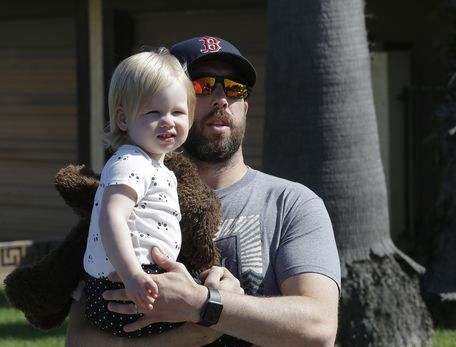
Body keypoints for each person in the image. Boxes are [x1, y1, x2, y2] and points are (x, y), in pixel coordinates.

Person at [65, 36, 341, 347]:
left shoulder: (291, 204)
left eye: (235, 88)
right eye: (203, 86)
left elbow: (318, 329)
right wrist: (191, 333)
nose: (222, 98)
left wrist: (204, 305)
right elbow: (78, 339)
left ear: (246, 106)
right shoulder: (122, 194)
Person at [82, 48, 195, 337]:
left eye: (178, 112)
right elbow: (112, 217)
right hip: (123, 284)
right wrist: (133, 275)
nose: (168, 120)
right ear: (123, 119)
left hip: (127, 281)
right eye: (154, 112)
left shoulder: (152, 165)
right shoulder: (131, 161)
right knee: (221, 327)